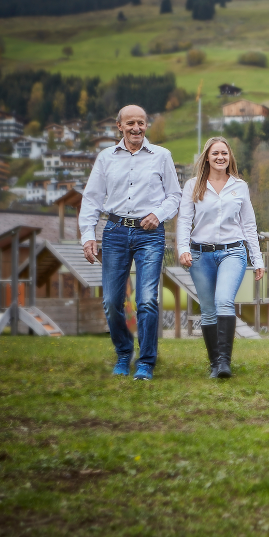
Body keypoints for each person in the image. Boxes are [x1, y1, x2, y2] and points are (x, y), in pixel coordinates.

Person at [81, 105, 181, 381]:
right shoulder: (106, 158)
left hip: (150, 233)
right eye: (130, 123)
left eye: (141, 123)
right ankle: (124, 352)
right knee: (111, 301)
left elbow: (175, 196)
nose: (136, 128)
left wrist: (158, 215)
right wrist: (88, 235)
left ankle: (146, 361)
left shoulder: (162, 156)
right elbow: (91, 199)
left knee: (147, 299)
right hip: (115, 231)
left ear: (146, 125)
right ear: (119, 126)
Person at [176, 137, 265, 379]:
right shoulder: (193, 185)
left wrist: (257, 259)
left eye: (224, 153)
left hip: (232, 252)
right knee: (208, 310)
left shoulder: (239, 186)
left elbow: (249, 224)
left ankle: (225, 362)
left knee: (224, 301)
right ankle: (214, 363)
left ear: (230, 157)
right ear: (207, 157)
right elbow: (184, 220)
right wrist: (183, 248)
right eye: (215, 153)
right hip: (200, 254)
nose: (220, 157)